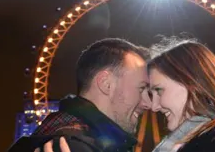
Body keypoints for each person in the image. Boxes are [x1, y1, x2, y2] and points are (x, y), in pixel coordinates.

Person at [8, 38, 152, 152]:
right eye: (141, 89)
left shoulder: (70, 136)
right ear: (106, 84)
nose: (148, 103)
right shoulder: (70, 145)